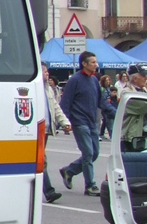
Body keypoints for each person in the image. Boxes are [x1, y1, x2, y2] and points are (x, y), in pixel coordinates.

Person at [58, 51, 114, 196]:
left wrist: (115, 113)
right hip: (79, 122)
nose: (96, 65)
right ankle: (90, 186)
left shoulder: (94, 80)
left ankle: (69, 171)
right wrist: (64, 122)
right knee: (88, 153)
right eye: (93, 62)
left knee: (95, 153)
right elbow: (66, 102)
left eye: (96, 62)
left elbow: (101, 101)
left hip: (92, 122)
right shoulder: (75, 80)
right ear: (84, 63)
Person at [41, 64, 71, 202]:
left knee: (39, 161)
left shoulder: (48, 89)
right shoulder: (32, 88)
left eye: (47, 71)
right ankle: (49, 191)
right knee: (41, 160)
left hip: (46, 129)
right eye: (45, 71)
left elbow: (55, 107)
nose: (47, 74)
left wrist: (64, 122)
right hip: (34, 130)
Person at [98, 74, 117, 140]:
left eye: (109, 80)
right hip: (104, 107)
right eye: (106, 80)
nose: (108, 81)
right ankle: (111, 135)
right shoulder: (102, 88)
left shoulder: (110, 88)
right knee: (107, 120)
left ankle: (101, 133)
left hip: (110, 106)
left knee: (105, 121)